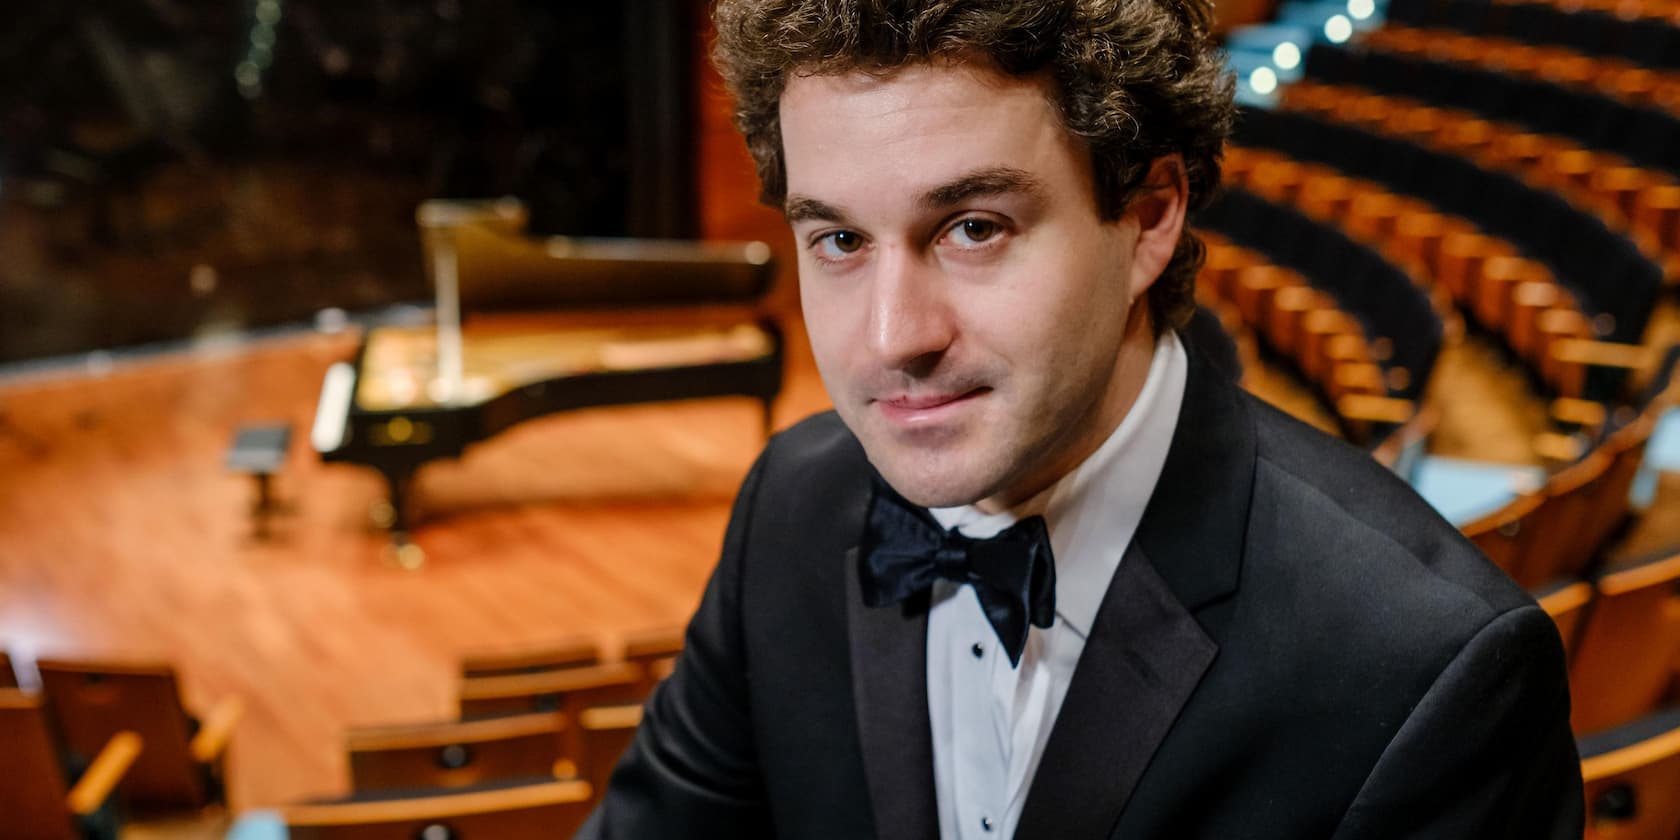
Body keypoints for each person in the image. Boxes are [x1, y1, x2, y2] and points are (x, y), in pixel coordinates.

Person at [577, 0, 1584, 836]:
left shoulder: (1426, 671)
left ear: (1148, 220)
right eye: (838, 238)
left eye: (973, 228)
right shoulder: (793, 507)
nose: (891, 336)